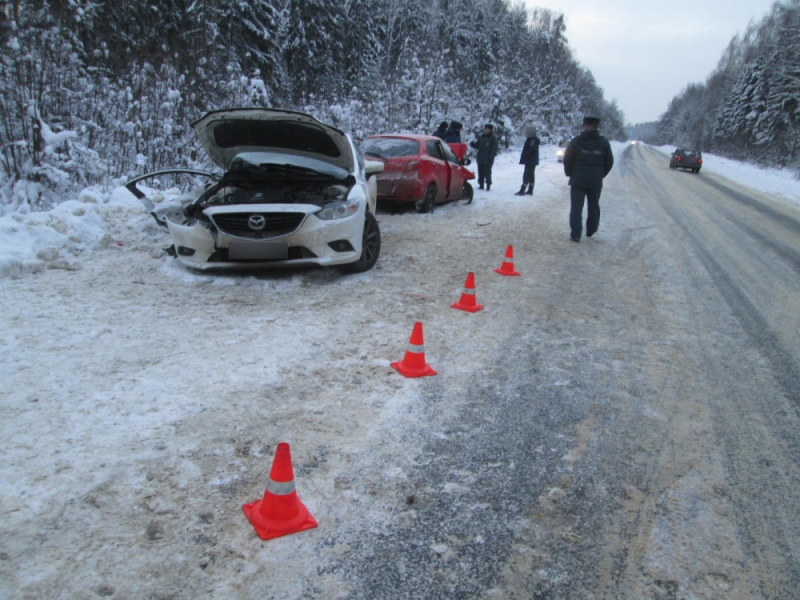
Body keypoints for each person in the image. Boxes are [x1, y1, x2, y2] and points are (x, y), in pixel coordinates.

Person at [563, 115, 614, 241]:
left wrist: (570, 173)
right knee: (593, 206)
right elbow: (609, 161)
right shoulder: (603, 143)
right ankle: (591, 230)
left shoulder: (576, 141)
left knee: (576, 207)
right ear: (597, 127)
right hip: (595, 181)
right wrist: (601, 174)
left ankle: (575, 234)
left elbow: (568, 159)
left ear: (585, 126)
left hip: (578, 180)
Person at [470, 123, 498, 190]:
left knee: (487, 172)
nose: (485, 130)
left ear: (490, 130)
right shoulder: (482, 137)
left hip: (488, 159)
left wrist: (491, 157)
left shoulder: (493, 138)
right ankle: (481, 184)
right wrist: (473, 144)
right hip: (480, 158)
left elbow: (494, 149)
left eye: (487, 129)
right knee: (480, 172)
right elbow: (478, 145)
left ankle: (488, 185)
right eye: (485, 129)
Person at [515, 125, 540, 196]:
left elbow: (533, 149)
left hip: (530, 161)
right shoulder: (531, 140)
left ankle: (523, 190)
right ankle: (530, 190)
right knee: (531, 175)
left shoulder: (532, 140)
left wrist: (527, 154)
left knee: (526, 174)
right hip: (532, 161)